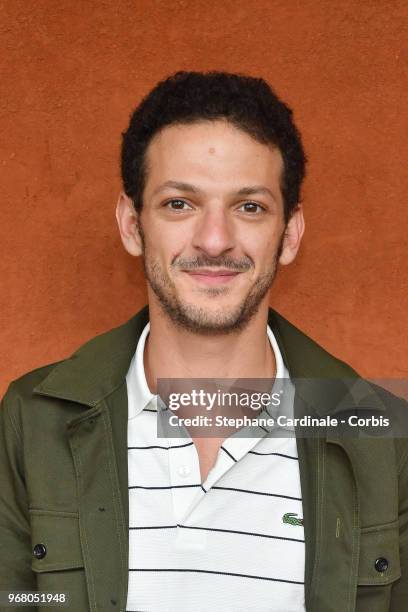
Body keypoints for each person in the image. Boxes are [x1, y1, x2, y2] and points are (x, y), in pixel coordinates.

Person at [0, 71, 407, 612]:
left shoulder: (379, 436)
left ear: (289, 235)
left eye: (249, 207)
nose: (215, 241)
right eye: (179, 204)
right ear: (130, 223)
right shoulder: (34, 419)